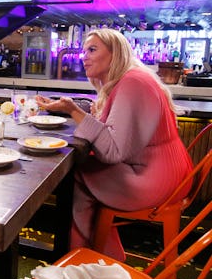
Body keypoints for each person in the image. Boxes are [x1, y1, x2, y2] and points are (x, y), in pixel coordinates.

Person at [36, 28, 193, 261]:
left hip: (153, 179)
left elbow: (111, 151)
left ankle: (85, 256)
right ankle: (99, 254)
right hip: (167, 170)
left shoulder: (133, 83)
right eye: (83, 51)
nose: (83, 56)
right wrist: (79, 108)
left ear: (115, 53)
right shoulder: (131, 78)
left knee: (76, 174)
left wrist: (72, 110)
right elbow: (112, 124)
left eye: (92, 49)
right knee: (84, 171)